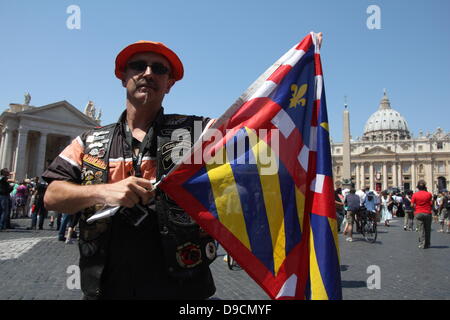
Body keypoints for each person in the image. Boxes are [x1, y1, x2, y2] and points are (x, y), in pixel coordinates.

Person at [42, 41, 217, 300]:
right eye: (138, 66)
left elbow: (254, 132)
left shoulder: (197, 133)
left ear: (169, 83)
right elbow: (52, 196)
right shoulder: (89, 141)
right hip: (106, 287)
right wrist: (103, 192)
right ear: (124, 78)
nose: (148, 73)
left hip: (183, 289)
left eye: (159, 69)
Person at [411, 180, 433, 249]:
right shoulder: (429, 194)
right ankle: (428, 243)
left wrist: (415, 208)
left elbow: (412, 205)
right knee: (427, 229)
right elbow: (431, 203)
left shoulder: (415, 194)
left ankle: (422, 244)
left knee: (421, 229)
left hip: (418, 213)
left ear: (418, 187)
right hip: (427, 213)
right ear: (425, 187)